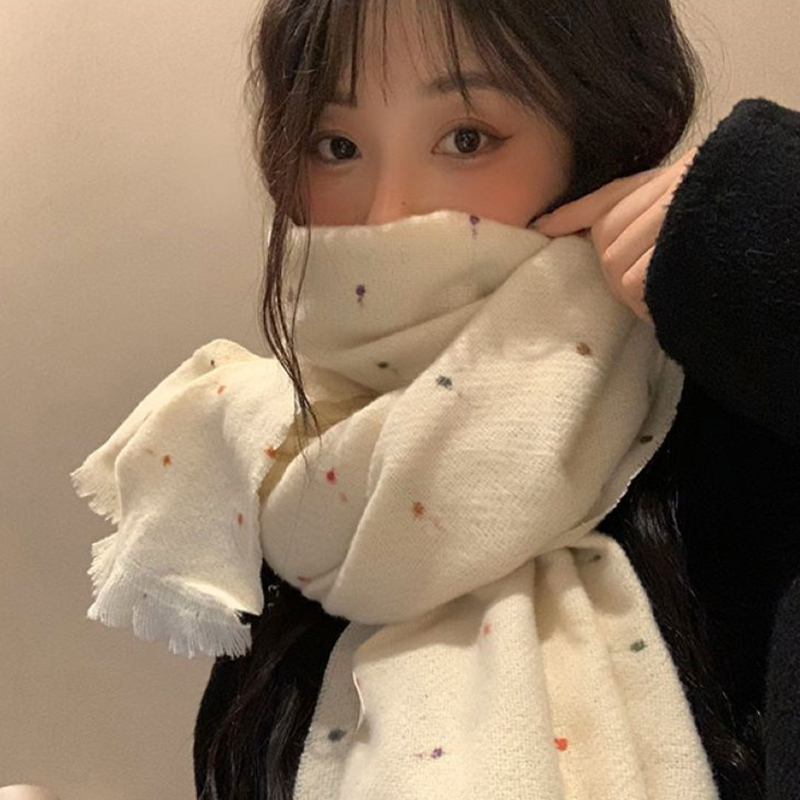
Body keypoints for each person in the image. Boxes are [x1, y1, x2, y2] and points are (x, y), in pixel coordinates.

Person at [158, 0, 797, 797]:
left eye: (466, 139)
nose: (386, 212)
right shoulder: (288, 471)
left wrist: (761, 222)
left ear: (598, 142)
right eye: (337, 147)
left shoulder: (733, 423)